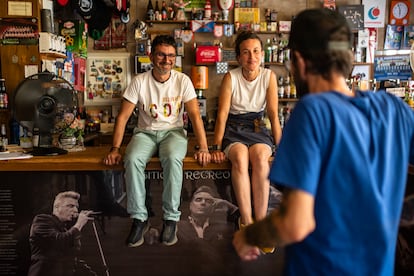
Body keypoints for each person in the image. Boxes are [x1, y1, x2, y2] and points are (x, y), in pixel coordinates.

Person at [232, 8, 414, 275]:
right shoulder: (395, 110)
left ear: (299, 62)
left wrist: (249, 235)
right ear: (347, 58)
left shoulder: (312, 112)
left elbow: (295, 223)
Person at [103, 34, 211, 247]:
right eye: (161, 55)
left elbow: (195, 116)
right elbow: (123, 116)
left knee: (172, 158)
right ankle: (139, 218)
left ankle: (171, 219)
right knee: (132, 159)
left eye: (171, 56)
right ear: (151, 56)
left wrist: (204, 147)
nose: (166, 60)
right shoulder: (139, 82)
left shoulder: (183, 81)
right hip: (145, 133)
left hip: (174, 132)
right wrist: (115, 149)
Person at [211, 31, 282, 243]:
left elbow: (273, 115)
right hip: (233, 127)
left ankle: (261, 224)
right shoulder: (230, 77)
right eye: (246, 52)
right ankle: (247, 221)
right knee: (240, 158)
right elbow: (222, 114)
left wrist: (282, 147)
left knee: (260, 159)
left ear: (262, 54)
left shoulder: (269, 76)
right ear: (239, 57)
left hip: (258, 127)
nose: (252, 57)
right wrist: (215, 147)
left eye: (256, 51)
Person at [28, 191, 94, 276]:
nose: (75, 210)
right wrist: (79, 223)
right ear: (57, 207)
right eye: (70, 206)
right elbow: (60, 241)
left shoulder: (64, 229)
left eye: (76, 207)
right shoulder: (41, 220)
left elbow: (70, 257)